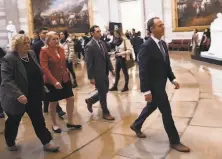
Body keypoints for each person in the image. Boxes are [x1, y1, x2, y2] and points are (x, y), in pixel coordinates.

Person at [130, 17, 190, 152]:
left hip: (161, 84)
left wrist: (173, 79)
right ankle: (175, 141)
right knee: (167, 113)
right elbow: (143, 70)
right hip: (154, 87)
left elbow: (165, 65)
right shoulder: (146, 46)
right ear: (152, 29)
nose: (163, 26)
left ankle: (136, 125)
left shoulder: (162, 44)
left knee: (151, 106)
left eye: (163, 24)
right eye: (160, 25)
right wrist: (146, 91)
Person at [0, 34, 59, 152]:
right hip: (17, 97)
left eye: (28, 42)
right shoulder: (9, 59)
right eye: (25, 43)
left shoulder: (31, 54)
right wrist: (19, 94)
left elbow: (37, 72)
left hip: (33, 95)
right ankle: (10, 141)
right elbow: (7, 80)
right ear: (17, 45)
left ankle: (47, 142)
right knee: (13, 121)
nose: (28, 45)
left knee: (38, 119)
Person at [40, 31, 81, 133]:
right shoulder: (44, 51)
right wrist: (54, 81)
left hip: (64, 79)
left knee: (71, 98)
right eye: (53, 39)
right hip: (51, 81)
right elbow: (45, 69)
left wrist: (68, 74)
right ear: (48, 41)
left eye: (57, 38)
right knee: (53, 103)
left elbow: (63, 63)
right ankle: (54, 124)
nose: (56, 40)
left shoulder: (61, 49)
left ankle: (70, 121)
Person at [31, 27, 65, 117]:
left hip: (52, 71)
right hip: (42, 70)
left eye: (47, 32)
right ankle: (51, 108)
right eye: (44, 33)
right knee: (48, 91)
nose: (45, 34)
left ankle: (54, 108)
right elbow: (34, 58)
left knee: (49, 92)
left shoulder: (55, 45)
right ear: (40, 34)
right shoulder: (37, 45)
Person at [85, 25, 115, 120]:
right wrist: (91, 77)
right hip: (97, 73)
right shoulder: (90, 46)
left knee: (105, 90)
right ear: (92, 33)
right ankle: (105, 113)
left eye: (100, 31)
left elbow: (106, 58)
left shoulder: (102, 43)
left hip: (104, 71)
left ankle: (91, 100)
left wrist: (111, 69)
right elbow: (89, 63)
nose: (100, 33)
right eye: (97, 31)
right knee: (103, 92)